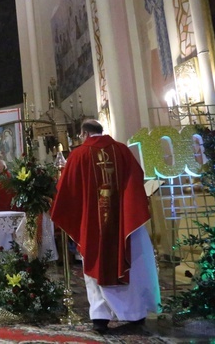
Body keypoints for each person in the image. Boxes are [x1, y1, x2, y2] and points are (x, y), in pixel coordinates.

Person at [50, 120, 160, 334]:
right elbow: (137, 179)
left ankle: (100, 318)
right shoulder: (122, 150)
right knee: (132, 264)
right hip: (123, 222)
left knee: (95, 263)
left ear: (83, 133)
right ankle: (135, 314)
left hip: (94, 224)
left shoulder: (79, 154)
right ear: (101, 131)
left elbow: (66, 191)